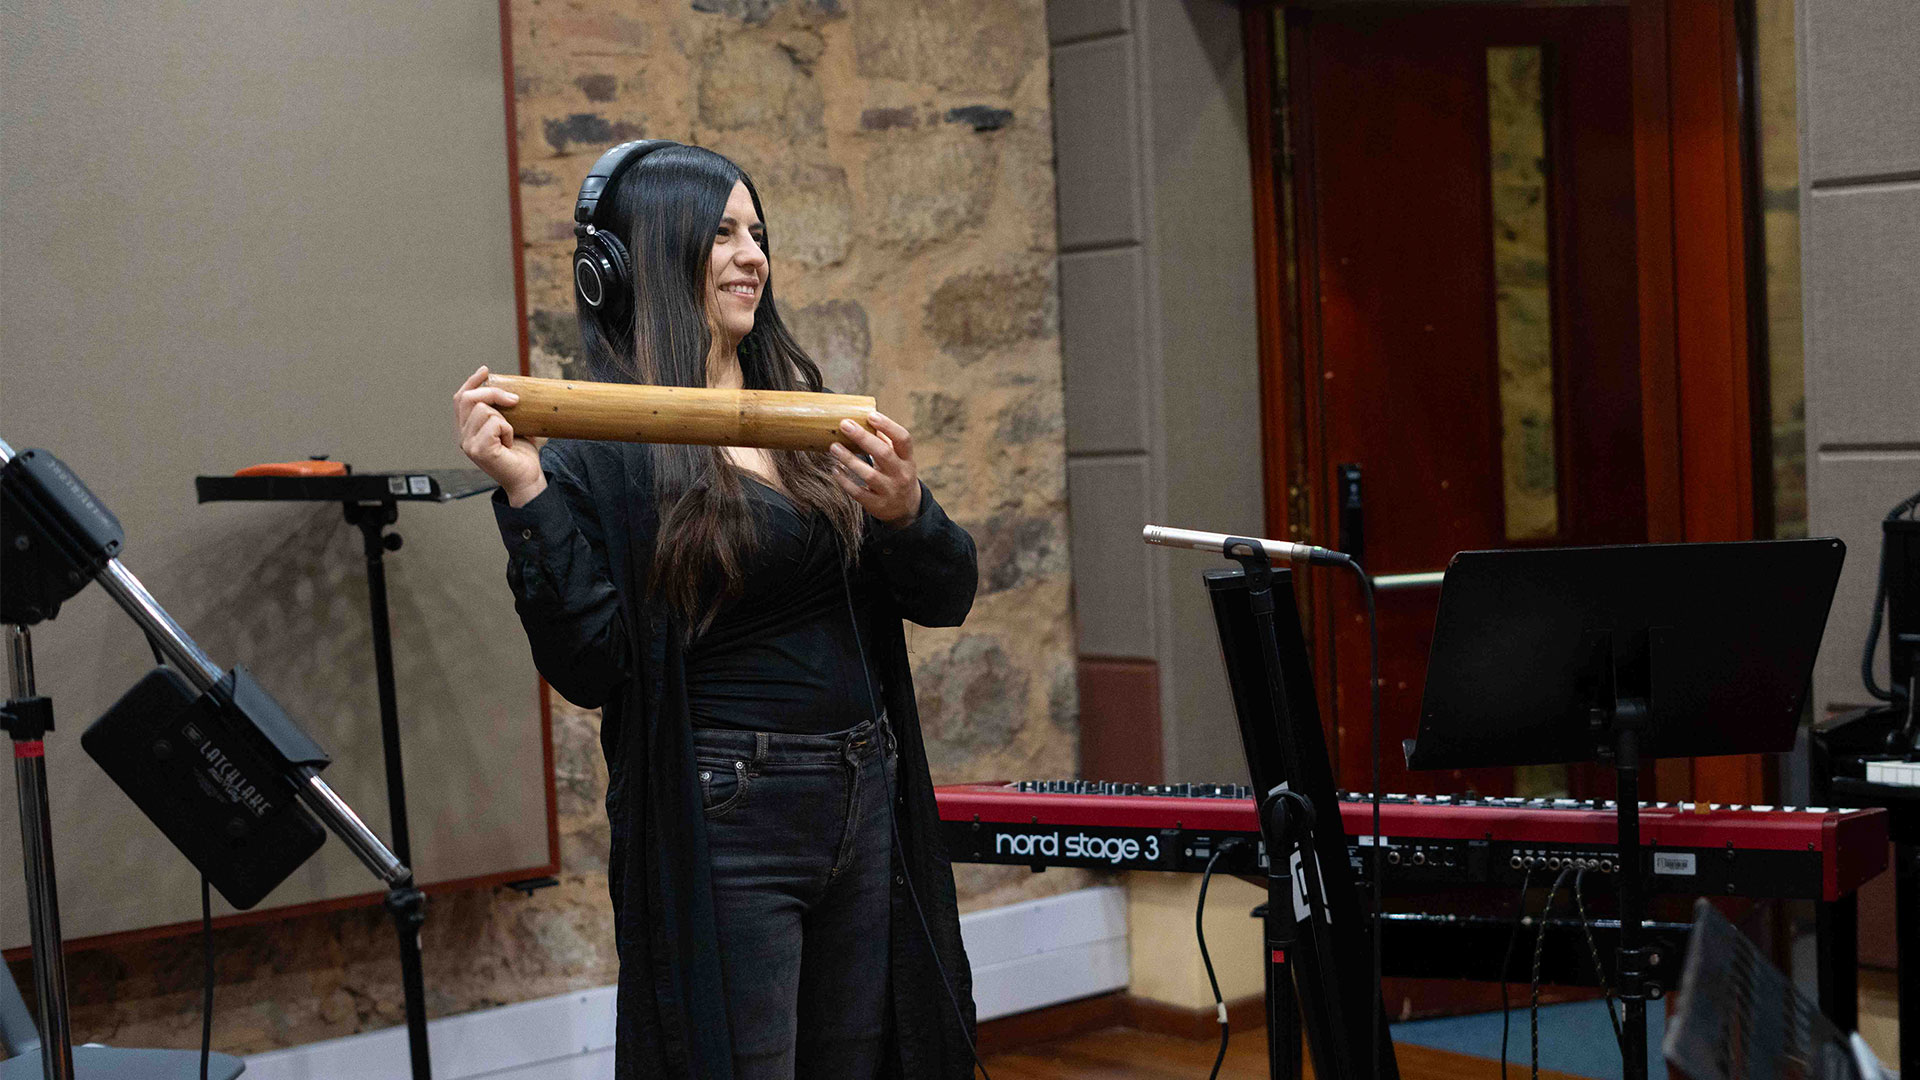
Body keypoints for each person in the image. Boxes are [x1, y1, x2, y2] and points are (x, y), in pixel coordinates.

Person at [452, 141, 980, 1080]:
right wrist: (529, 495)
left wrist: (906, 514)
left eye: (758, 233)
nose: (753, 256)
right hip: (730, 815)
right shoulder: (594, 442)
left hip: (865, 792)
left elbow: (948, 595)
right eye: (723, 233)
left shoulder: (806, 416)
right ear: (647, 256)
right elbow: (591, 666)